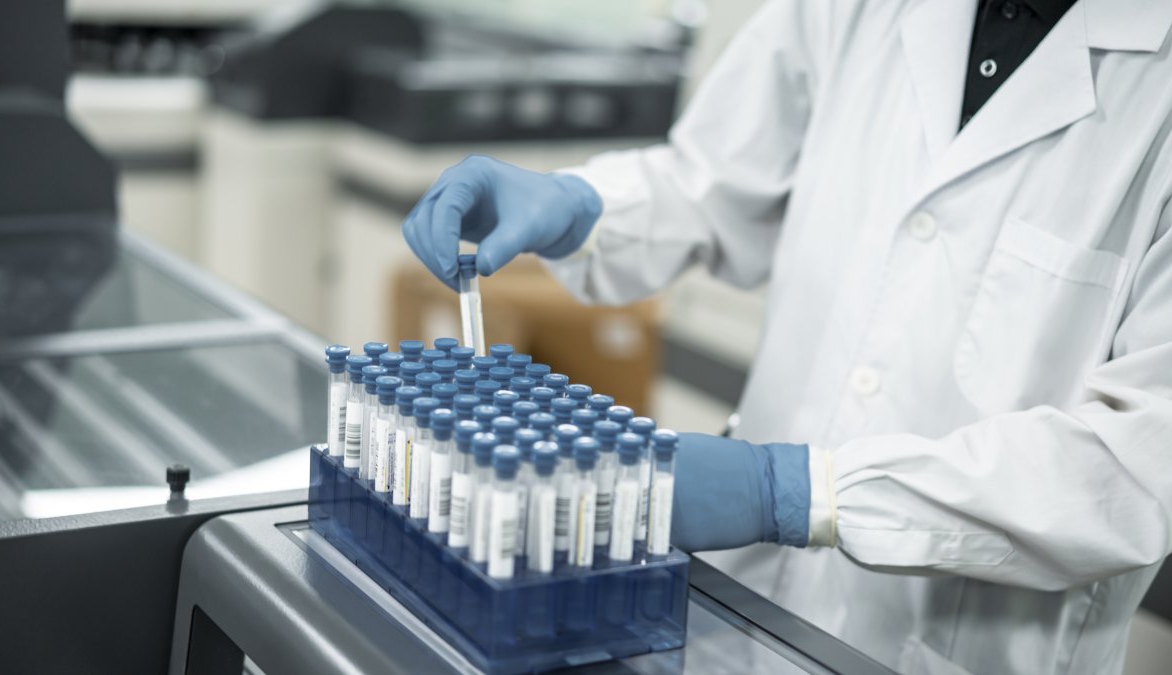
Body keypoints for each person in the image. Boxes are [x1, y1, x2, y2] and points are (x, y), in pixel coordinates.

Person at [401, 1, 1172, 673]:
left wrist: (802, 491)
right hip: (742, 612)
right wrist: (583, 206)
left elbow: (1139, 463)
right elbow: (714, 177)